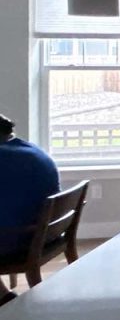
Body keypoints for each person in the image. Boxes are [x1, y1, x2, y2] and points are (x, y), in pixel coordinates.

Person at [0, 114, 60, 306]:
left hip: (20, 239)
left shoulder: (4, 158)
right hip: (44, 234)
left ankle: (4, 298)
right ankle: (4, 297)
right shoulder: (32, 151)